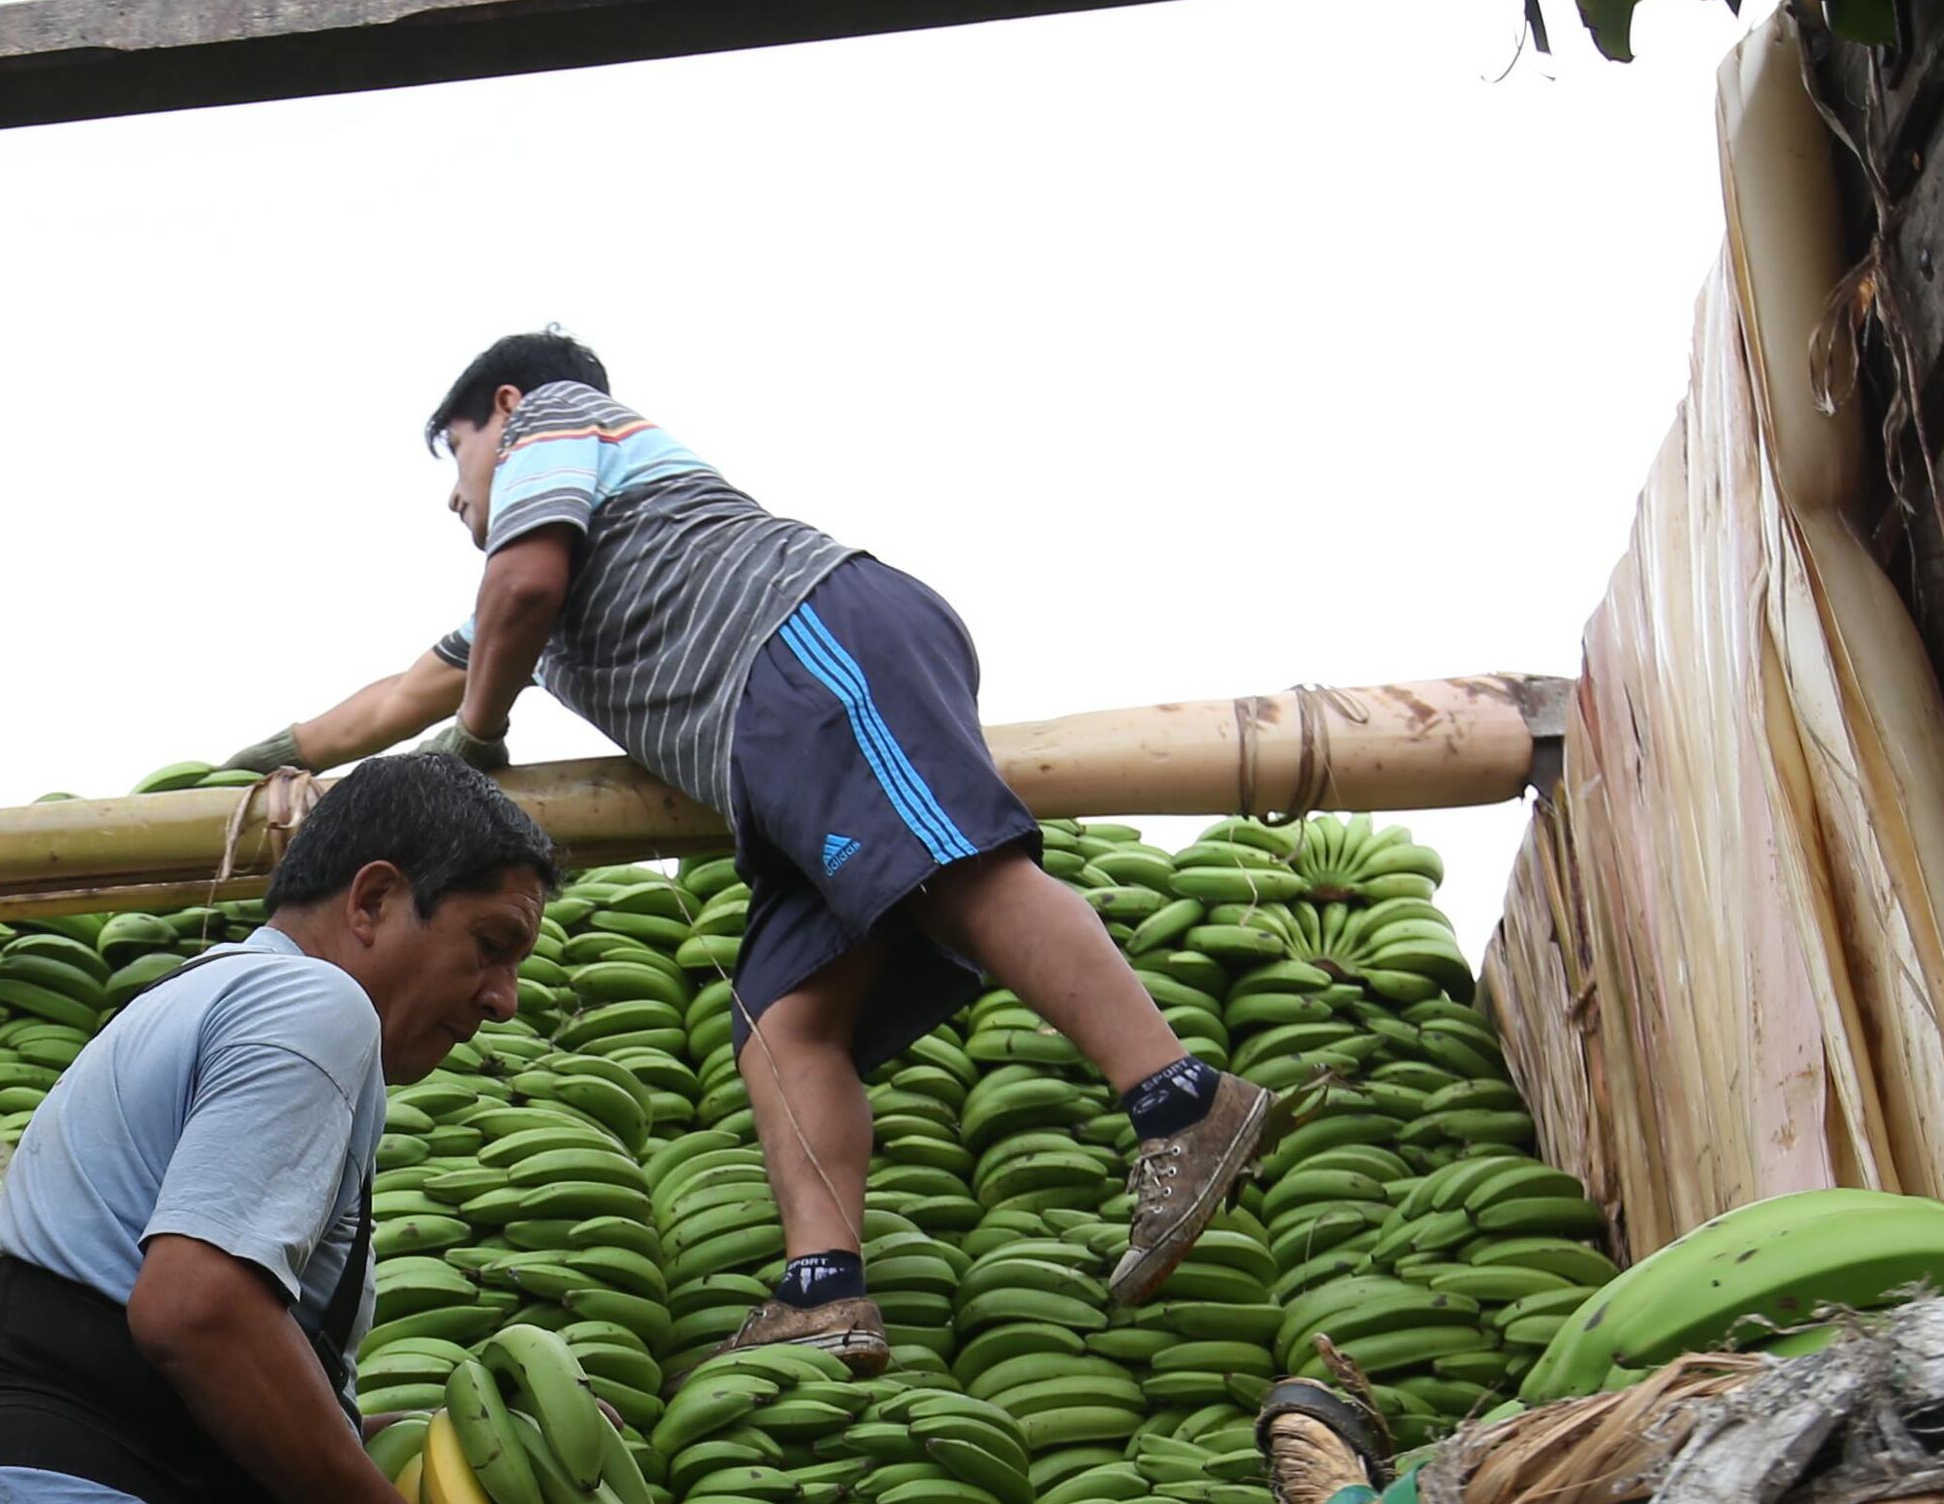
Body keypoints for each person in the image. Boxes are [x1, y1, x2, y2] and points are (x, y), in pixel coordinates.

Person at [229, 330, 1274, 1362]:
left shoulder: (554, 421)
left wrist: (475, 747)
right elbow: (406, 690)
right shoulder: (518, 594)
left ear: (499, 411)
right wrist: (257, 761)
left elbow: (524, 588)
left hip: (798, 639)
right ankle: (823, 1289)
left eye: (452, 459)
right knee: (783, 1020)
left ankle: (1177, 1096)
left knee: (948, 870)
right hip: (757, 753)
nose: (455, 501)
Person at [0, 756, 595, 1504]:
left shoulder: (201, 998)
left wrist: (483, 1441)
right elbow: (198, 1313)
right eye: (490, 944)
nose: (504, 1000)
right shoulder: (314, 1004)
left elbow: (160, 1343)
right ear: (374, 900)